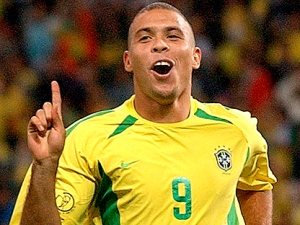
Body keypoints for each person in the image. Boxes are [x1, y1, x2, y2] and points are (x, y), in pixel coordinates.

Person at [10, 2, 277, 225]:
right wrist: (45, 168)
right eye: (145, 37)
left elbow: (256, 183)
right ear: (128, 61)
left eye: (173, 36)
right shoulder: (85, 140)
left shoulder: (237, 129)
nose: (159, 44)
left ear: (196, 57)